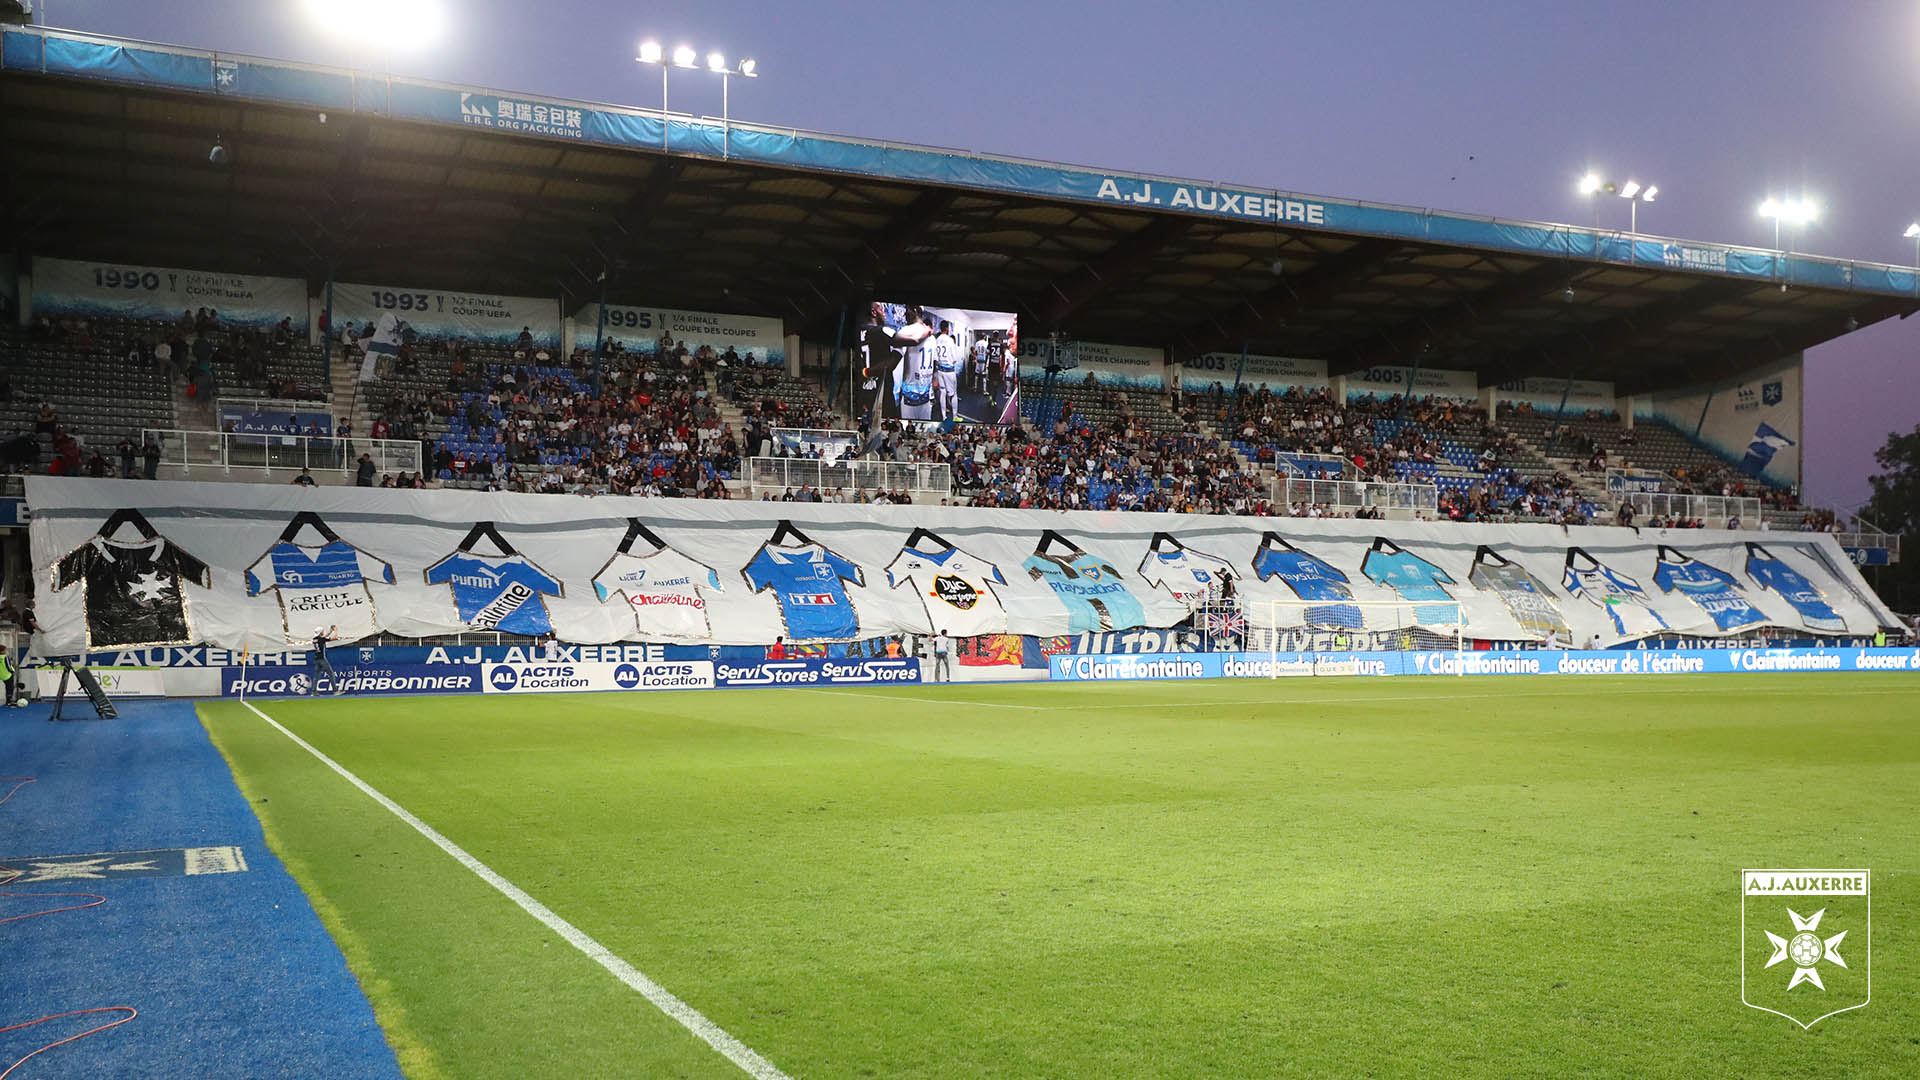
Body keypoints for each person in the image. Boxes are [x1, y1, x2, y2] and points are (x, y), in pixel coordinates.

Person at [310, 625, 342, 695]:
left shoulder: (314, 639)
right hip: (322, 659)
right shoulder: (321, 639)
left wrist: (330, 631)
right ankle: (335, 691)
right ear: (321, 632)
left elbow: (324, 637)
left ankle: (314, 692)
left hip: (316, 659)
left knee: (316, 676)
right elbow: (334, 637)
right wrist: (335, 630)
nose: (323, 632)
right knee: (331, 674)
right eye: (322, 632)